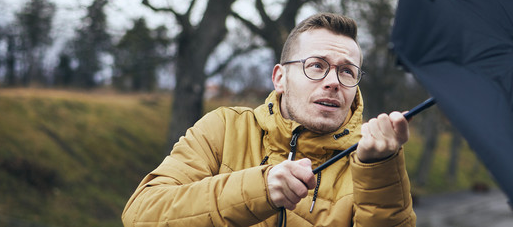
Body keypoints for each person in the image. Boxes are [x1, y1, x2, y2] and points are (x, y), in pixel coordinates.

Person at [122, 12, 416, 227]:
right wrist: (259, 189)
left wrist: (380, 171)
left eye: (347, 71)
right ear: (280, 78)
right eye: (317, 66)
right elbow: (141, 215)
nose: (333, 82)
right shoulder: (224, 129)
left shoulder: (370, 164)